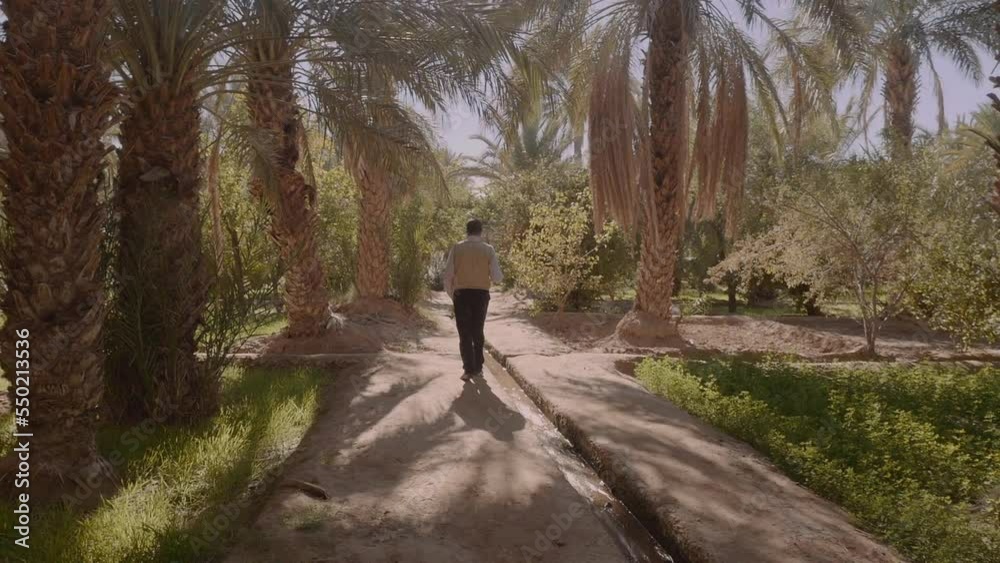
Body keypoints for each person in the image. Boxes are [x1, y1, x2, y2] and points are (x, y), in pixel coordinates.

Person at [443, 219, 503, 382]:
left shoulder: (457, 248)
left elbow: (448, 275)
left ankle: (468, 370)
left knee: (464, 333)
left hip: (462, 295)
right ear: (480, 231)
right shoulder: (488, 250)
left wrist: (453, 294)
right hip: (481, 295)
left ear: (467, 231)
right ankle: (478, 367)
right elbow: (497, 277)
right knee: (478, 330)